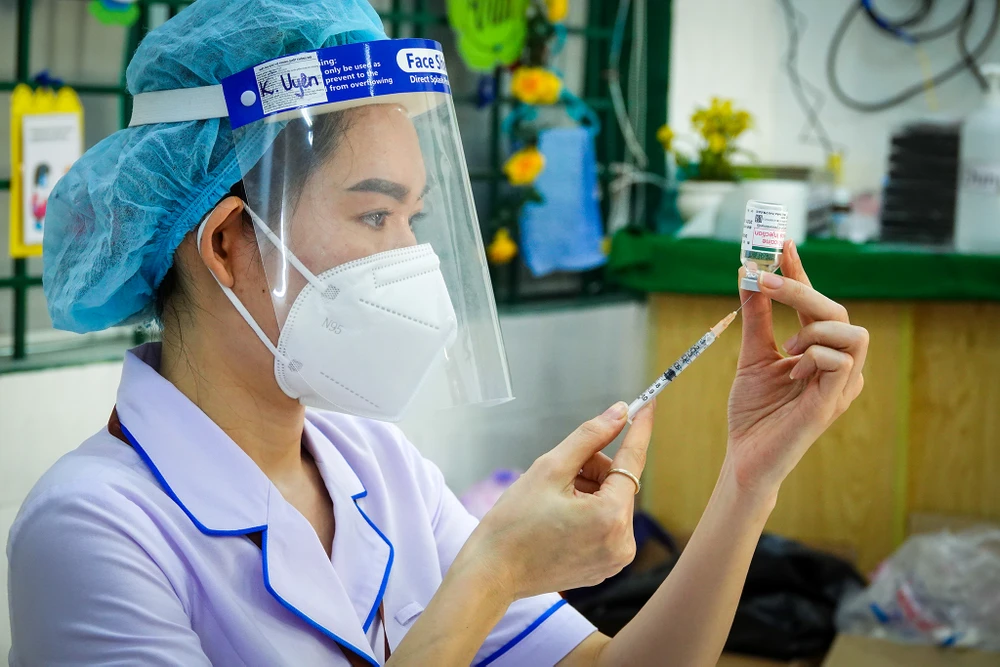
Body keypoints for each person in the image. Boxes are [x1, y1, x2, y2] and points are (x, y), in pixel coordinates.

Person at [7, 1, 869, 666]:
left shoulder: (376, 466)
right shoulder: (92, 528)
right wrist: (493, 571)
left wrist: (750, 478)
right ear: (229, 242)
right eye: (375, 214)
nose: (412, 260)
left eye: (414, 217)